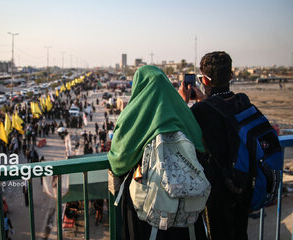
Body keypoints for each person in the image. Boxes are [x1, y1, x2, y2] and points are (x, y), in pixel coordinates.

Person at [108, 65, 206, 240]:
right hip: (185, 211)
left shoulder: (132, 115)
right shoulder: (183, 113)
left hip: (147, 209)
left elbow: (119, 160)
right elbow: (200, 147)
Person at [178, 51, 253, 240]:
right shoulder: (242, 101)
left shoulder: (200, 111)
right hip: (243, 180)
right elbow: (224, 112)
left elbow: (179, 134)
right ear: (231, 76)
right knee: (239, 232)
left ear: (204, 80)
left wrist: (182, 102)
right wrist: (206, 100)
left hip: (216, 188)